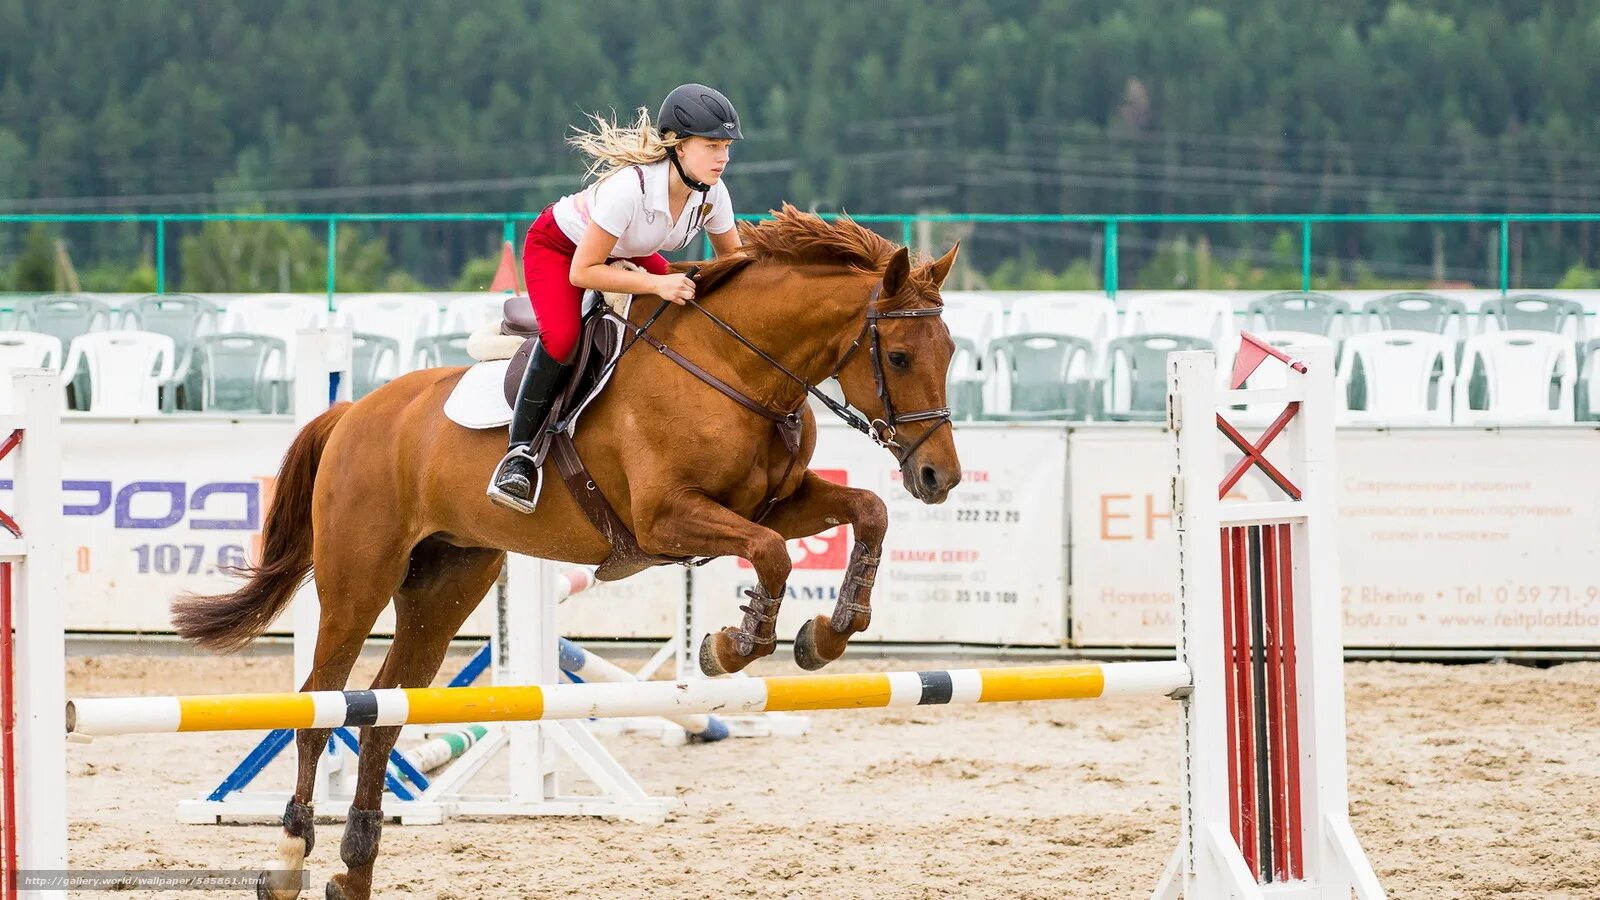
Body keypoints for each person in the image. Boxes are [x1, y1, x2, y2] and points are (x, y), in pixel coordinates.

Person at [488, 83, 745, 512]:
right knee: (564, 338)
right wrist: (656, 284)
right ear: (679, 148)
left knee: (691, 305)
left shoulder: (712, 195)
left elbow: (735, 262)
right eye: (712, 146)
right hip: (561, 250)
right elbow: (584, 271)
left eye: (727, 147)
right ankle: (519, 456)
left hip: (626, 250)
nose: (723, 157)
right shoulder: (630, 188)